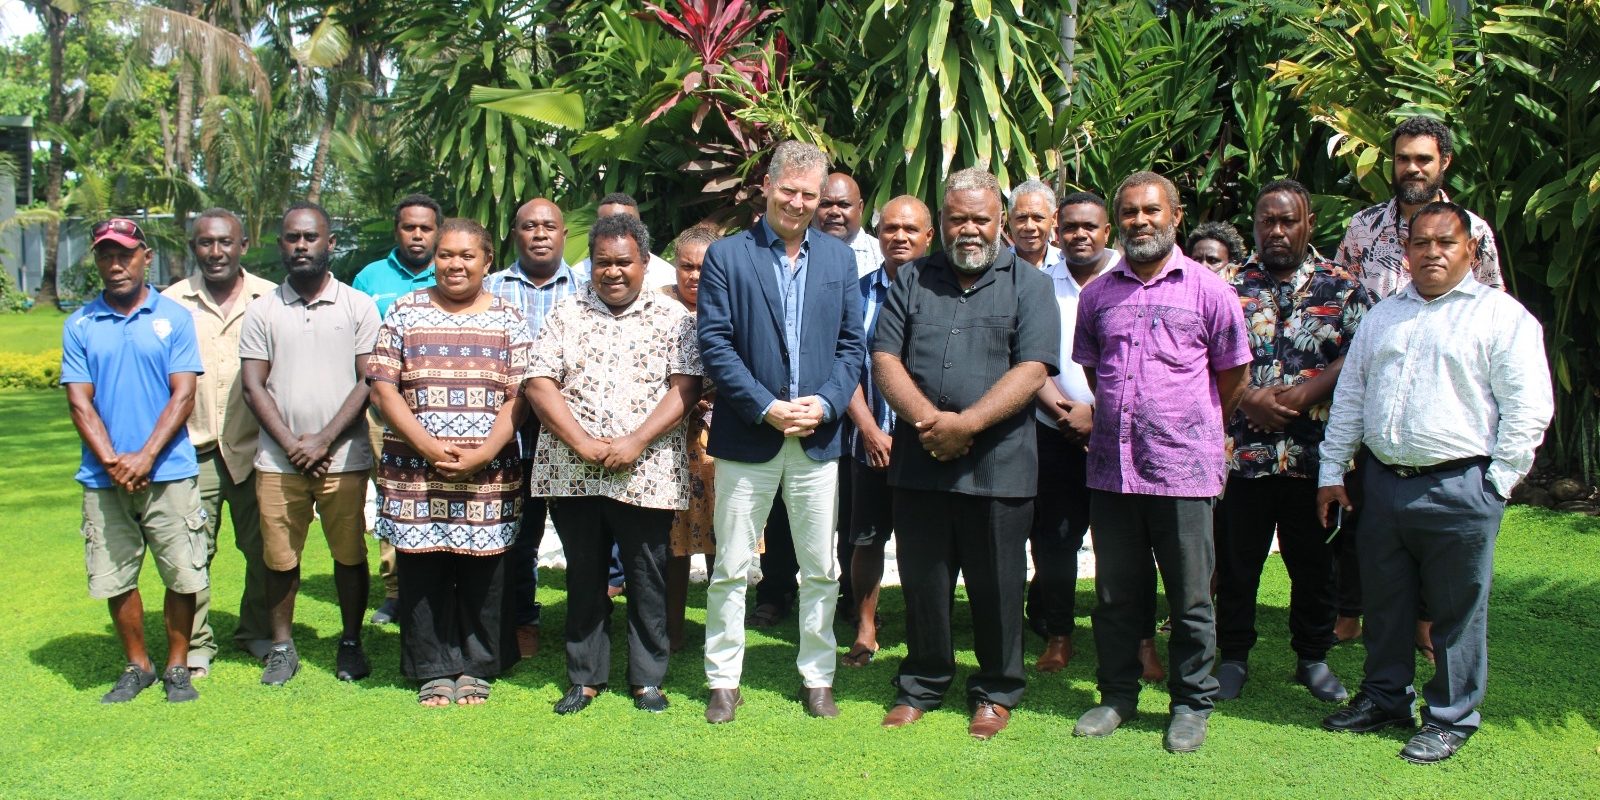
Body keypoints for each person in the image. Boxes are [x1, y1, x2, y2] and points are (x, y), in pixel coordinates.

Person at [1318, 201, 1551, 764]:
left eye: (1445, 243)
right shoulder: (1383, 316)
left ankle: (1450, 716)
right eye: (1421, 243)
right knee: (1387, 602)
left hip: (1460, 485)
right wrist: (1331, 470)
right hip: (1383, 485)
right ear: (1407, 251)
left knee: (1455, 611)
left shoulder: (1501, 316)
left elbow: (1528, 409)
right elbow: (1350, 397)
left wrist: (1496, 484)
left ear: (1471, 250)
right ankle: (1384, 698)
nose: (1432, 253)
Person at [872, 168, 1059, 740]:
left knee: (998, 585)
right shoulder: (911, 280)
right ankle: (923, 682)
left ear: (1000, 221)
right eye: (959, 219)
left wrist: (968, 424)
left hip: (998, 466)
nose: (970, 229)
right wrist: (933, 424)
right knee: (924, 580)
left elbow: (1033, 369)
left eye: (981, 218)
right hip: (920, 461)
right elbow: (884, 359)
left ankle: (997, 690)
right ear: (942, 222)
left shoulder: (1029, 285)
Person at [1070, 171, 1251, 753]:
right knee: (1117, 596)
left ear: (1175, 216)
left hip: (1183, 471)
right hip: (1112, 471)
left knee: (1191, 597)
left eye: (1151, 211)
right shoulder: (1098, 294)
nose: (1140, 221)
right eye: (1129, 212)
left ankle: (1191, 703)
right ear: (1117, 220)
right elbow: (1096, 373)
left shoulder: (1210, 290)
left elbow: (1233, 376)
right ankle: (1117, 696)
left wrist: (1188, 425)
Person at [697, 140, 866, 723]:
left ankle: (818, 676)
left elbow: (852, 346)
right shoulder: (728, 257)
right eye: (788, 190)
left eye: (809, 194)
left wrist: (824, 404)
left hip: (817, 438)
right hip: (751, 434)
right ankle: (723, 679)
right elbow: (715, 345)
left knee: (820, 566)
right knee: (732, 565)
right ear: (766, 186)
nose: (798, 202)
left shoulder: (840, 260)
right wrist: (766, 406)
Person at [1333, 117, 1503, 655]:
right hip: (1370, 389)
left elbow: (1493, 315)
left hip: (1444, 403)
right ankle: (1350, 612)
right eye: (1404, 158)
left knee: (1438, 527)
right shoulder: (1362, 228)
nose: (1412, 168)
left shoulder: (1473, 230)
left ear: (1444, 163)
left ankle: (1428, 624)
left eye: (1423, 159)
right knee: (1363, 513)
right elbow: (1335, 303)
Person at [527, 214, 703, 714]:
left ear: (645, 263)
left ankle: (647, 678)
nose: (612, 272)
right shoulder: (566, 314)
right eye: (602, 262)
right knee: (584, 573)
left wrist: (634, 441)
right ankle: (584, 677)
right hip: (572, 470)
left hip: (645, 471)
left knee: (648, 574)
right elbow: (540, 381)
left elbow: (685, 386)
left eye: (623, 262)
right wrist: (581, 442)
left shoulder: (676, 320)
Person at [1214, 180, 1373, 704]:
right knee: (1238, 563)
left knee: (1313, 563)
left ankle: (1312, 656)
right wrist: (1250, 399)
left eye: (1288, 221)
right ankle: (1233, 656)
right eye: (1267, 221)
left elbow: (1360, 356)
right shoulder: (1224, 284)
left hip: (1315, 457)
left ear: (1308, 224)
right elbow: (1200, 357)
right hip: (1243, 456)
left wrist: (1306, 393)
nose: (1277, 231)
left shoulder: (1344, 287)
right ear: (1255, 225)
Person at [367, 217, 527, 707]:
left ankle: (478, 665)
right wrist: (429, 447)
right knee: (424, 570)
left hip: (488, 474)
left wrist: (482, 453)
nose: (454, 264)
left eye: (466, 256)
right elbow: (382, 387)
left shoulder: (508, 318)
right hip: (416, 472)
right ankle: (433, 668)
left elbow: (519, 396)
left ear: (486, 262)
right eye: (445, 255)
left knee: (484, 572)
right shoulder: (404, 311)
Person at [64, 217, 207, 703]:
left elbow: (183, 394)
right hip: (104, 478)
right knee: (114, 575)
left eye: (125, 254)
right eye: (106, 255)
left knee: (182, 572)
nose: (116, 264)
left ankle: (176, 665)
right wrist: (113, 461)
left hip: (167, 472)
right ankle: (137, 664)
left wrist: (144, 457)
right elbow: (80, 402)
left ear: (145, 256)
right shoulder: (80, 324)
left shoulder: (174, 317)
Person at [239, 202, 379, 687]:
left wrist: (322, 440)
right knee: (279, 558)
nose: (301, 246)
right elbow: (253, 386)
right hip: (279, 461)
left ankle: (350, 641)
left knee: (349, 555)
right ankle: (282, 647)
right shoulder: (262, 309)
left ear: (330, 243)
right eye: (292, 238)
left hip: (343, 457)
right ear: (281, 244)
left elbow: (368, 380)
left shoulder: (357, 306)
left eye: (311, 237)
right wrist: (293, 444)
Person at [162, 208, 278, 672]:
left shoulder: (269, 299)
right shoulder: (170, 305)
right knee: (192, 552)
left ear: (243, 246)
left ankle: (255, 631)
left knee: (265, 550)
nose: (216, 252)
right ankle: (196, 645)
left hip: (257, 449)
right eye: (206, 243)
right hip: (193, 450)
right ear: (194, 248)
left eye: (225, 243)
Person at [484, 197, 587, 661]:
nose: (540, 234)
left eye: (549, 226)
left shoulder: (589, 286)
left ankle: (586, 628)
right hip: (513, 435)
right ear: (514, 234)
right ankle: (523, 620)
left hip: (576, 434)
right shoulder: (489, 290)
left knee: (582, 539)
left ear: (565, 234)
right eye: (529, 226)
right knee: (520, 535)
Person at [841, 194, 934, 667]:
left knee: (925, 543)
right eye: (890, 229)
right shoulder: (854, 293)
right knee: (866, 539)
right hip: (869, 442)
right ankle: (866, 627)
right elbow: (844, 369)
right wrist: (871, 430)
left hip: (928, 446)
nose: (899, 237)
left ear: (928, 237)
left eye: (910, 230)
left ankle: (925, 628)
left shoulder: (944, 294)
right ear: (877, 236)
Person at [1027, 191, 1118, 675]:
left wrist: (1097, 414)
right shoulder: (1038, 283)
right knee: (1056, 540)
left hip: (1120, 436)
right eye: (1071, 227)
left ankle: (1133, 637)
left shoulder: (1129, 278)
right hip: (1054, 431)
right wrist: (1066, 412)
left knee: (1120, 541)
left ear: (1107, 232)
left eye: (1090, 227)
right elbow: (1028, 358)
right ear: (1057, 232)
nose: (1080, 234)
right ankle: (1058, 634)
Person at [352, 193, 442, 626]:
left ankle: (443, 582)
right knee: (392, 497)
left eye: (426, 228)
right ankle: (395, 589)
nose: (418, 235)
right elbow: (357, 348)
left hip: (441, 411)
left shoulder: (449, 270)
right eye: (410, 227)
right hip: (384, 412)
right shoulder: (370, 279)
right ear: (397, 231)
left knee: (439, 494)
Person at [662, 225, 724, 653]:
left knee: (723, 539)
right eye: (687, 266)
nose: (695, 276)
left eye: (705, 267)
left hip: (720, 441)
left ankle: (722, 634)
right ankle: (671, 631)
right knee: (673, 542)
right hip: (667, 443)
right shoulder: (657, 306)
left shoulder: (732, 304)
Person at [571, 192, 678, 290]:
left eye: (626, 222)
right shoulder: (576, 276)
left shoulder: (666, 275)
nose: (616, 228)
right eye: (607, 223)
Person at [814, 172, 883, 278]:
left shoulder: (881, 255)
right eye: (825, 204)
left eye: (844, 205)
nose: (834, 212)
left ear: (860, 208)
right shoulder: (796, 253)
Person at [1008, 179, 1060, 269]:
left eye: (1038, 218)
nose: (1029, 226)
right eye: (1021, 218)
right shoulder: (994, 268)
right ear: (1009, 220)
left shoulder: (1068, 266)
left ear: (1054, 218)